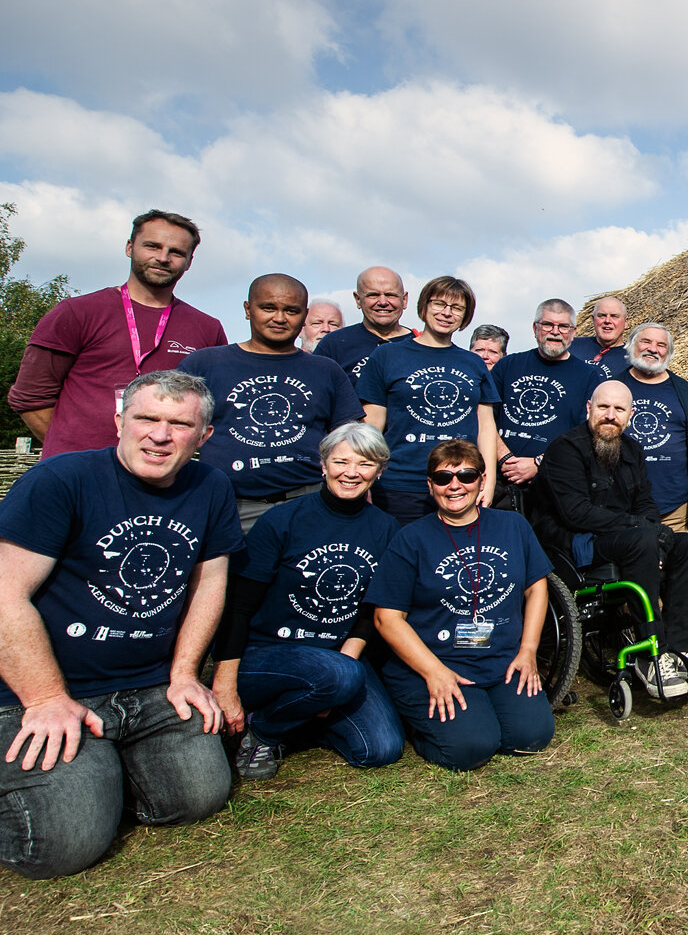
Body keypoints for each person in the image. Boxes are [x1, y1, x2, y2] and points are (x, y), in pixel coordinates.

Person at [0, 369, 240, 879]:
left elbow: (209, 584)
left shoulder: (211, 486)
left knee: (198, 798)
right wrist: (44, 698)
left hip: (147, 687)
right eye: (147, 418)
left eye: (179, 424)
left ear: (204, 436)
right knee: (64, 845)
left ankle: (98, 780)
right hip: (41, 692)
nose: (160, 434)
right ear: (119, 419)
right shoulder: (60, 479)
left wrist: (186, 672)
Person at [209, 422, 404, 779]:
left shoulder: (386, 528)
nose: (351, 472)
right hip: (267, 655)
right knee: (339, 676)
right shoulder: (282, 521)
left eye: (364, 463)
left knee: (381, 750)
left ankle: (301, 717)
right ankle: (264, 729)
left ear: (379, 470)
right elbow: (238, 607)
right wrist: (224, 682)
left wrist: (345, 671)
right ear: (323, 464)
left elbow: (370, 609)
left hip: (336, 658)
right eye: (341, 461)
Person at [367, 441, 554, 771]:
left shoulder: (514, 526)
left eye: (466, 475)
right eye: (443, 478)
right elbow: (386, 619)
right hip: (435, 662)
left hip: (500, 659)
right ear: (430, 486)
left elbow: (536, 588)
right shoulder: (410, 539)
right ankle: (422, 722)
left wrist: (528, 650)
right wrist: (433, 672)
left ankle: (480, 711)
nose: (455, 485)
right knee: (471, 748)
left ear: (482, 480)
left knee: (532, 736)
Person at [531, 381, 688, 698]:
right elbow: (576, 513)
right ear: (589, 408)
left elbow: (644, 504)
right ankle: (649, 654)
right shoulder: (564, 449)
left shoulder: (632, 450)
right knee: (641, 539)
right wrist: (642, 529)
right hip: (576, 544)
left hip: (625, 537)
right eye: (603, 407)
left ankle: (678, 651)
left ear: (629, 415)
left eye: (618, 409)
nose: (610, 415)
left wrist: (657, 530)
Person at [7, 210, 227, 458]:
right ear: (129, 247)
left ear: (189, 261)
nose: (163, 258)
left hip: (163, 475)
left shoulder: (208, 328)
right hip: (80, 472)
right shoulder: (76, 312)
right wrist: (74, 451)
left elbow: (213, 409)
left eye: (176, 252)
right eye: (152, 246)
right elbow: (31, 398)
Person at [179, 273, 362, 532]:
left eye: (291, 310)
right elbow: (174, 428)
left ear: (304, 315)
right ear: (247, 309)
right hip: (229, 506)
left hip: (309, 503)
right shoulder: (204, 364)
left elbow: (352, 440)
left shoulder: (326, 370)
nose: (279, 318)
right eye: (268, 308)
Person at [357, 276, 506, 526]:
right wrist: (365, 477)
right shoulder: (387, 355)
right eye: (439, 304)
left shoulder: (473, 363)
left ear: (465, 316)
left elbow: (486, 426)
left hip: (460, 485)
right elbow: (371, 426)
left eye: (457, 308)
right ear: (424, 306)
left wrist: (488, 480)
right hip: (400, 483)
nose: (447, 313)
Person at [490, 299, 601, 510]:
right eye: (548, 325)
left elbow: (587, 433)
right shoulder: (508, 365)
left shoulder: (588, 376)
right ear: (535, 328)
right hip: (501, 484)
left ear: (574, 331)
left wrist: (539, 463)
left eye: (563, 326)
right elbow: (485, 417)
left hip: (554, 486)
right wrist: (505, 458)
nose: (555, 332)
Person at [616, 322, 688, 533]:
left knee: (682, 560)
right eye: (646, 341)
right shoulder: (614, 387)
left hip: (675, 508)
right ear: (631, 345)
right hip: (623, 505)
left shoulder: (684, 391)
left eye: (661, 345)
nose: (653, 349)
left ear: (668, 352)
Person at [314, 267, 416, 383]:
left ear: (404, 300)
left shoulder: (421, 343)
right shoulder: (334, 345)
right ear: (358, 299)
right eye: (373, 295)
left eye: (390, 295)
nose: (383, 302)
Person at [570, 296, 633, 378]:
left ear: (626, 322)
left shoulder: (633, 359)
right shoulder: (571, 346)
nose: (607, 321)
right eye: (602, 315)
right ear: (593, 320)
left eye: (614, 316)